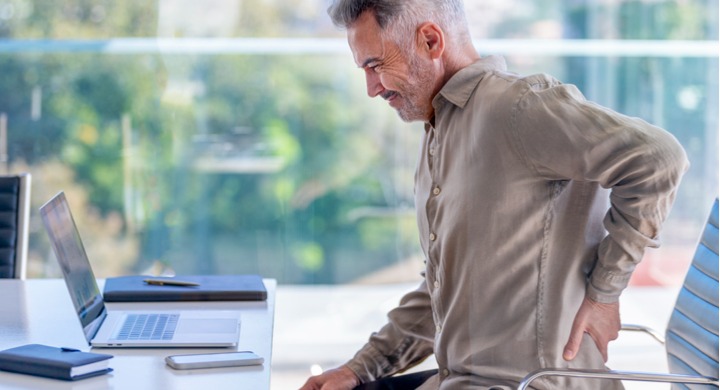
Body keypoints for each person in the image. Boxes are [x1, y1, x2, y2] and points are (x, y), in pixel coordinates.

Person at [300, 1, 689, 389]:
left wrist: (604, 293)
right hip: (459, 378)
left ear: (431, 41)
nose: (371, 88)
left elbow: (659, 158)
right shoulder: (440, 128)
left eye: (375, 65)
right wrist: (358, 369)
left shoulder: (518, 108)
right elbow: (444, 293)